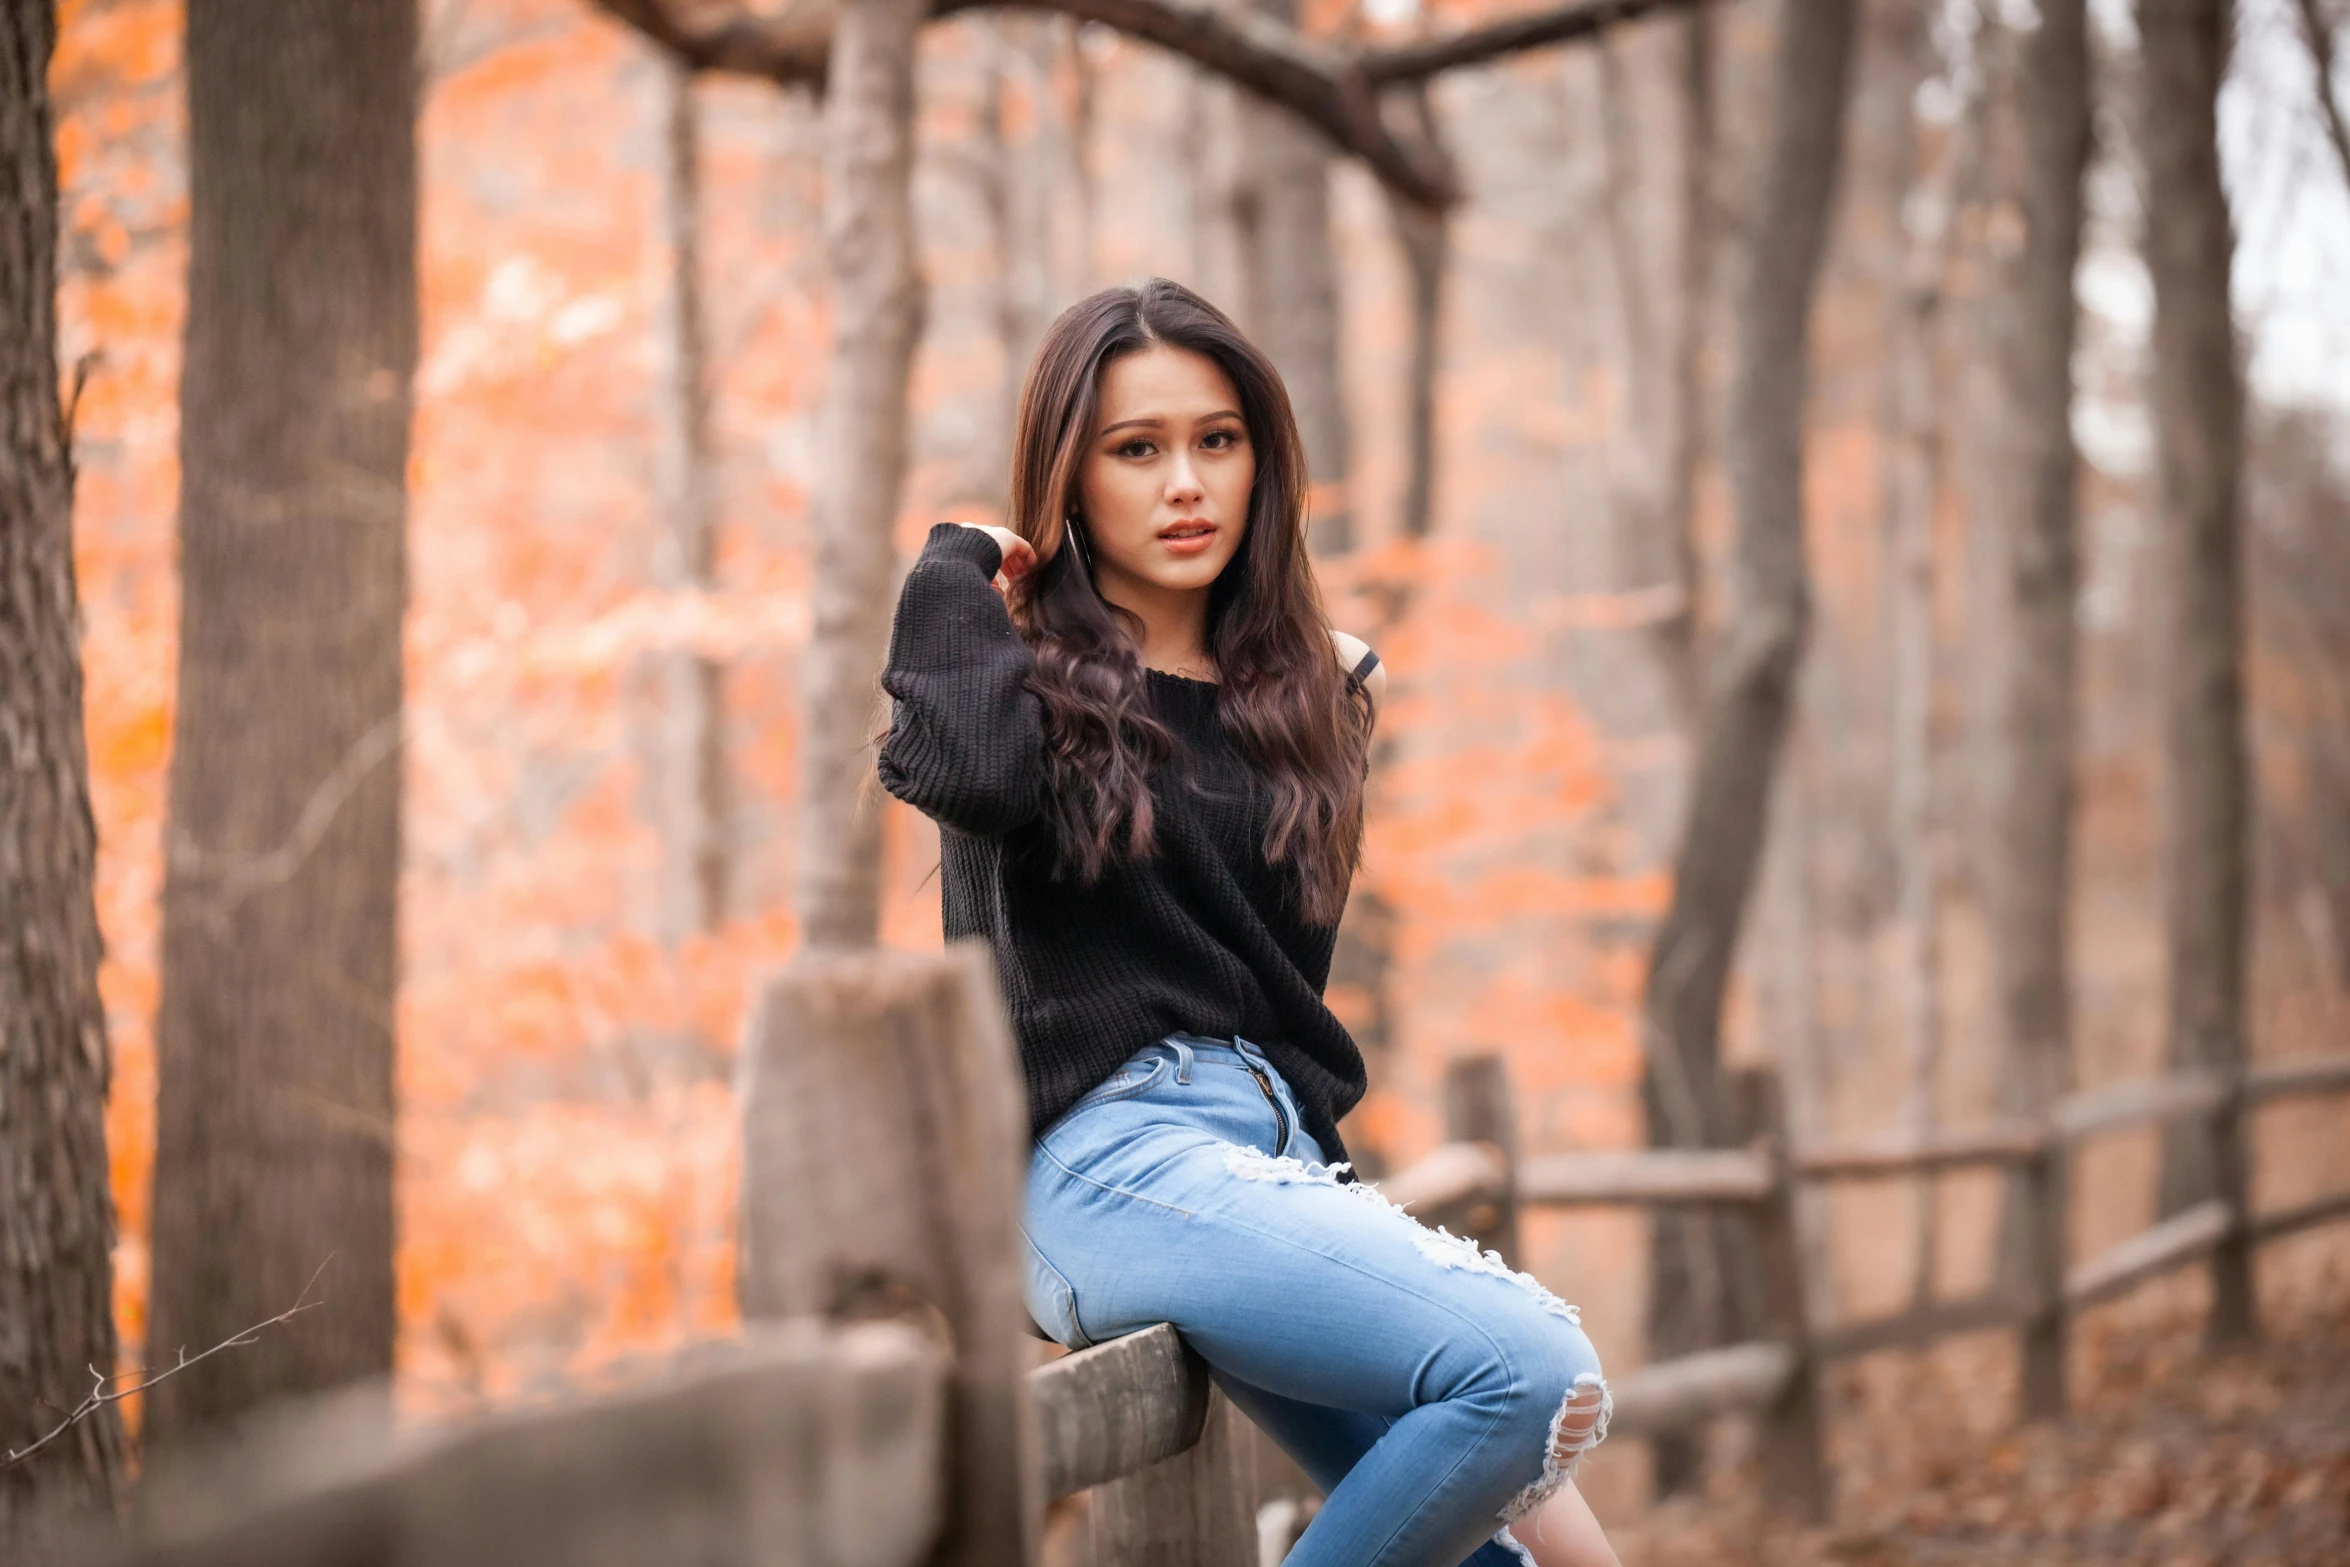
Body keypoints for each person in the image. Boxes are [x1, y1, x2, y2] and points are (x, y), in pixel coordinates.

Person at [877, 278, 1618, 1567]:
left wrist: (1335, 696)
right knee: (1537, 1368)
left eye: (1217, 441)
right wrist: (952, 561)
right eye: (1135, 448)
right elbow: (972, 781)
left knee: (1531, 1551)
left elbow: (1282, 994)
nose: (1185, 484)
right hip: (1105, 1167)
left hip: (1271, 1164)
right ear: (1070, 473)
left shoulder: (1310, 695)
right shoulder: (1019, 683)